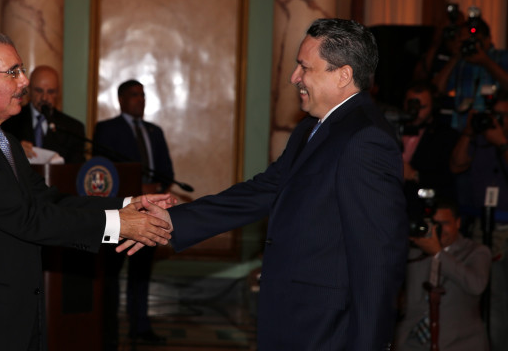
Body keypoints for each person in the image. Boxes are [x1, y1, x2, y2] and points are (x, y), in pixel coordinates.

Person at [120, 18, 409, 350]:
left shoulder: (366, 139)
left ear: (343, 75)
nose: (294, 77)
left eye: (305, 67)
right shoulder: (312, 127)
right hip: (293, 318)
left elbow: (378, 260)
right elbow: (264, 190)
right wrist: (173, 220)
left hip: (328, 329)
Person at [0, 32, 174, 351]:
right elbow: (27, 218)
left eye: (22, 70)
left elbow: (47, 199)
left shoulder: (1, 138)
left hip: (13, 310)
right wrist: (118, 224)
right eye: (13, 72)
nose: (24, 81)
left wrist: (125, 204)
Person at [93, 79, 174, 347]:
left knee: (141, 273)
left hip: (150, 213)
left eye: (142, 95)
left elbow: (167, 171)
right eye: (134, 95)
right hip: (120, 213)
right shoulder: (107, 130)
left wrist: (157, 190)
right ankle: (109, 331)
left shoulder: (154, 131)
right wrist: (138, 189)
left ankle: (140, 327)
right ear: (120, 100)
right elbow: (105, 172)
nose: (140, 99)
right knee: (111, 274)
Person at [450, 89, 508, 351]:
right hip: (479, 226)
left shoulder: (499, 141)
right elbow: (456, 165)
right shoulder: (481, 139)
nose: (497, 120)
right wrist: (469, 132)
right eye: (495, 115)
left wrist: (502, 142)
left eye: (504, 116)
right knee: (484, 297)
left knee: (500, 300)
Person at [394, 199, 490, 350]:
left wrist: (438, 253)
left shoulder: (476, 252)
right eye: (434, 224)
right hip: (412, 342)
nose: (438, 229)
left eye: (444, 223)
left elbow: (476, 285)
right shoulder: (415, 251)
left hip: (459, 343)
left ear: (458, 223)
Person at [431, 10, 508, 131]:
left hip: (495, 129)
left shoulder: (501, 57)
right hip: (463, 128)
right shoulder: (461, 62)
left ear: (488, 39)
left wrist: (485, 61)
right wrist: (455, 57)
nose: (470, 45)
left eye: (474, 40)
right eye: (465, 41)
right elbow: (436, 91)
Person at [1, 65, 86, 163]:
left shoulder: (73, 129)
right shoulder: (8, 121)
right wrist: (14, 150)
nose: (44, 98)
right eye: (39, 90)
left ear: (57, 93)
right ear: (29, 91)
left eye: (50, 92)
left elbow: (75, 167)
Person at [400, 81, 459, 200]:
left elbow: (447, 178)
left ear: (433, 106)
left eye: (421, 107)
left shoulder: (444, 136)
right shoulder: (391, 129)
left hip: (421, 200)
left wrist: (414, 175)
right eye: (411, 105)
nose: (415, 112)